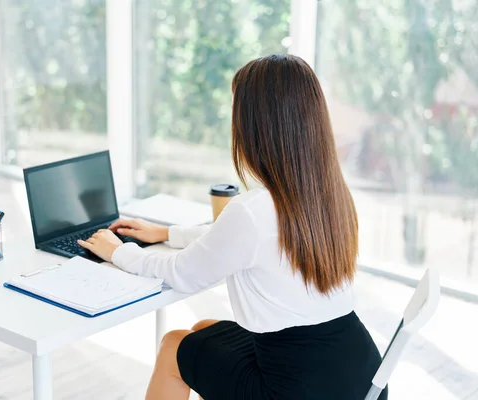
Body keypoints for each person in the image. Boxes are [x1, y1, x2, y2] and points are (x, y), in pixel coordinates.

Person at [78, 54, 387, 400]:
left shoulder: (254, 210)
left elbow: (181, 274)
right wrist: (167, 233)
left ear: (257, 129)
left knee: (172, 347)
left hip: (295, 387)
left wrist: (119, 251)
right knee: (201, 330)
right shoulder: (329, 193)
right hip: (356, 375)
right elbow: (249, 244)